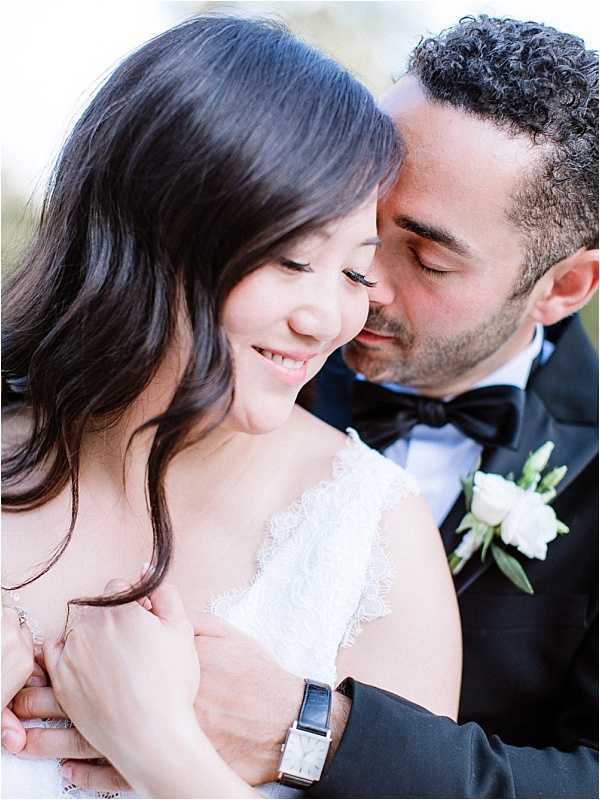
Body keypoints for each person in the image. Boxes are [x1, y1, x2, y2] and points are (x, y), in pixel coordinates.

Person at [13, 13, 595, 799]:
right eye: (319, 238)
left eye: (423, 257)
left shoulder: (371, 512)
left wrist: (310, 734)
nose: (353, 296)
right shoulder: (234, 352)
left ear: (563, 288)